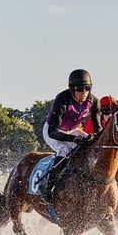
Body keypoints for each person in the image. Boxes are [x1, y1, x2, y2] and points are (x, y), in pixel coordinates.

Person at [42, 69, 101, 202]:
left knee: (93, 147)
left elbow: (98, 129)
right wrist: (74, 138)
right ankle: (48, 189)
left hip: (73, 130)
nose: (84, 92)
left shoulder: (94, 101)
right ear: (72, 89)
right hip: (53, 131)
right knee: (64, 149)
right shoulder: (62, 99)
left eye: (87, 88)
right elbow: (53, 132)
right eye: (80, 89)